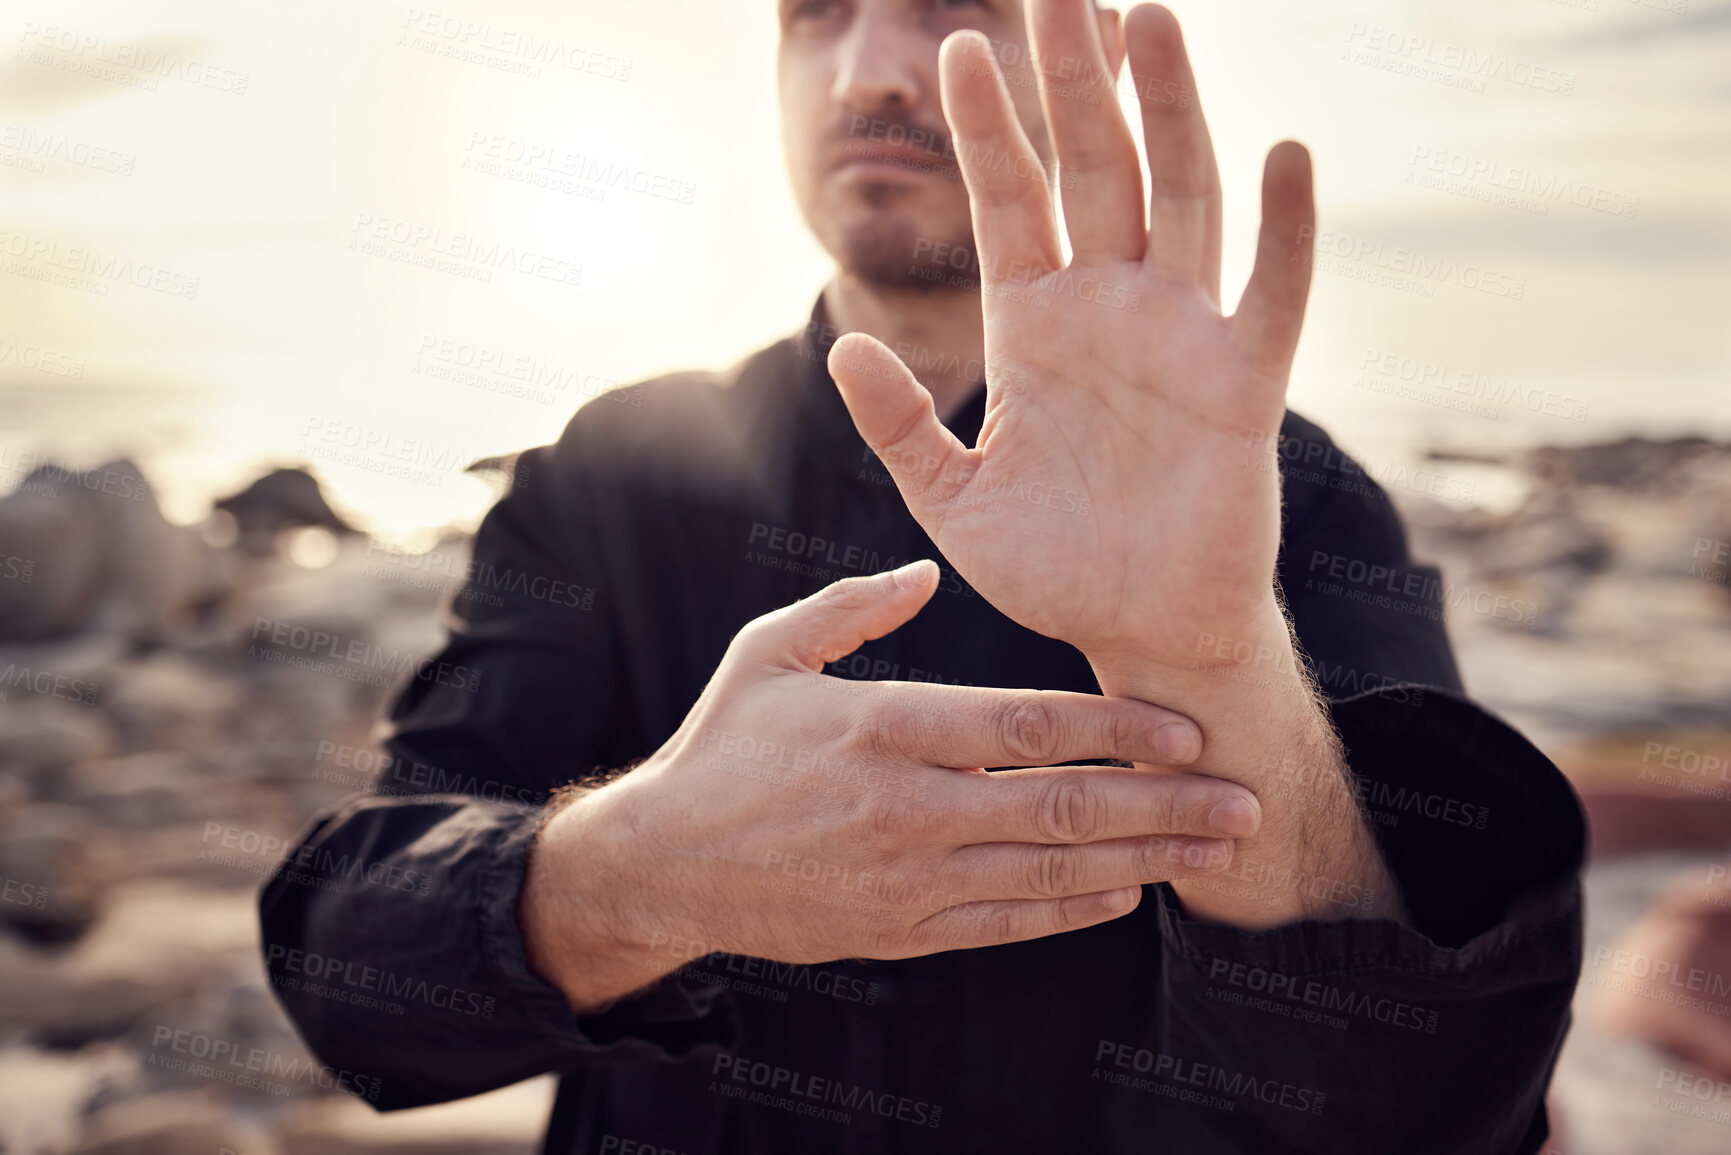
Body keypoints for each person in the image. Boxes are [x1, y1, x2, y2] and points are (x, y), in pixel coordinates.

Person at [261, 1, 1586, 1150]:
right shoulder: (617, 473)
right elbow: (349, 985)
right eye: (815, 12)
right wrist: (638, 870)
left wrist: (1217, 668)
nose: (871, 72)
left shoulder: (1295, 498)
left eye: (954, 2)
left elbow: (1437, 1113)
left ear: (1087, 65)